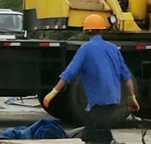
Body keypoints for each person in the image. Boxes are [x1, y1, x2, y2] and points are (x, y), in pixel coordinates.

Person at [43, 14, 139, 144]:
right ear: (102, 30)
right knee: (89, 134)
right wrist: (131, 98)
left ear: (86, 31)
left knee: (99, 133)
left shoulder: (86, 48)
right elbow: (126, 76)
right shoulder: (112, 48)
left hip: (99, 101)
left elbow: (69, 73)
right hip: (113, 99)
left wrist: (53, 93)